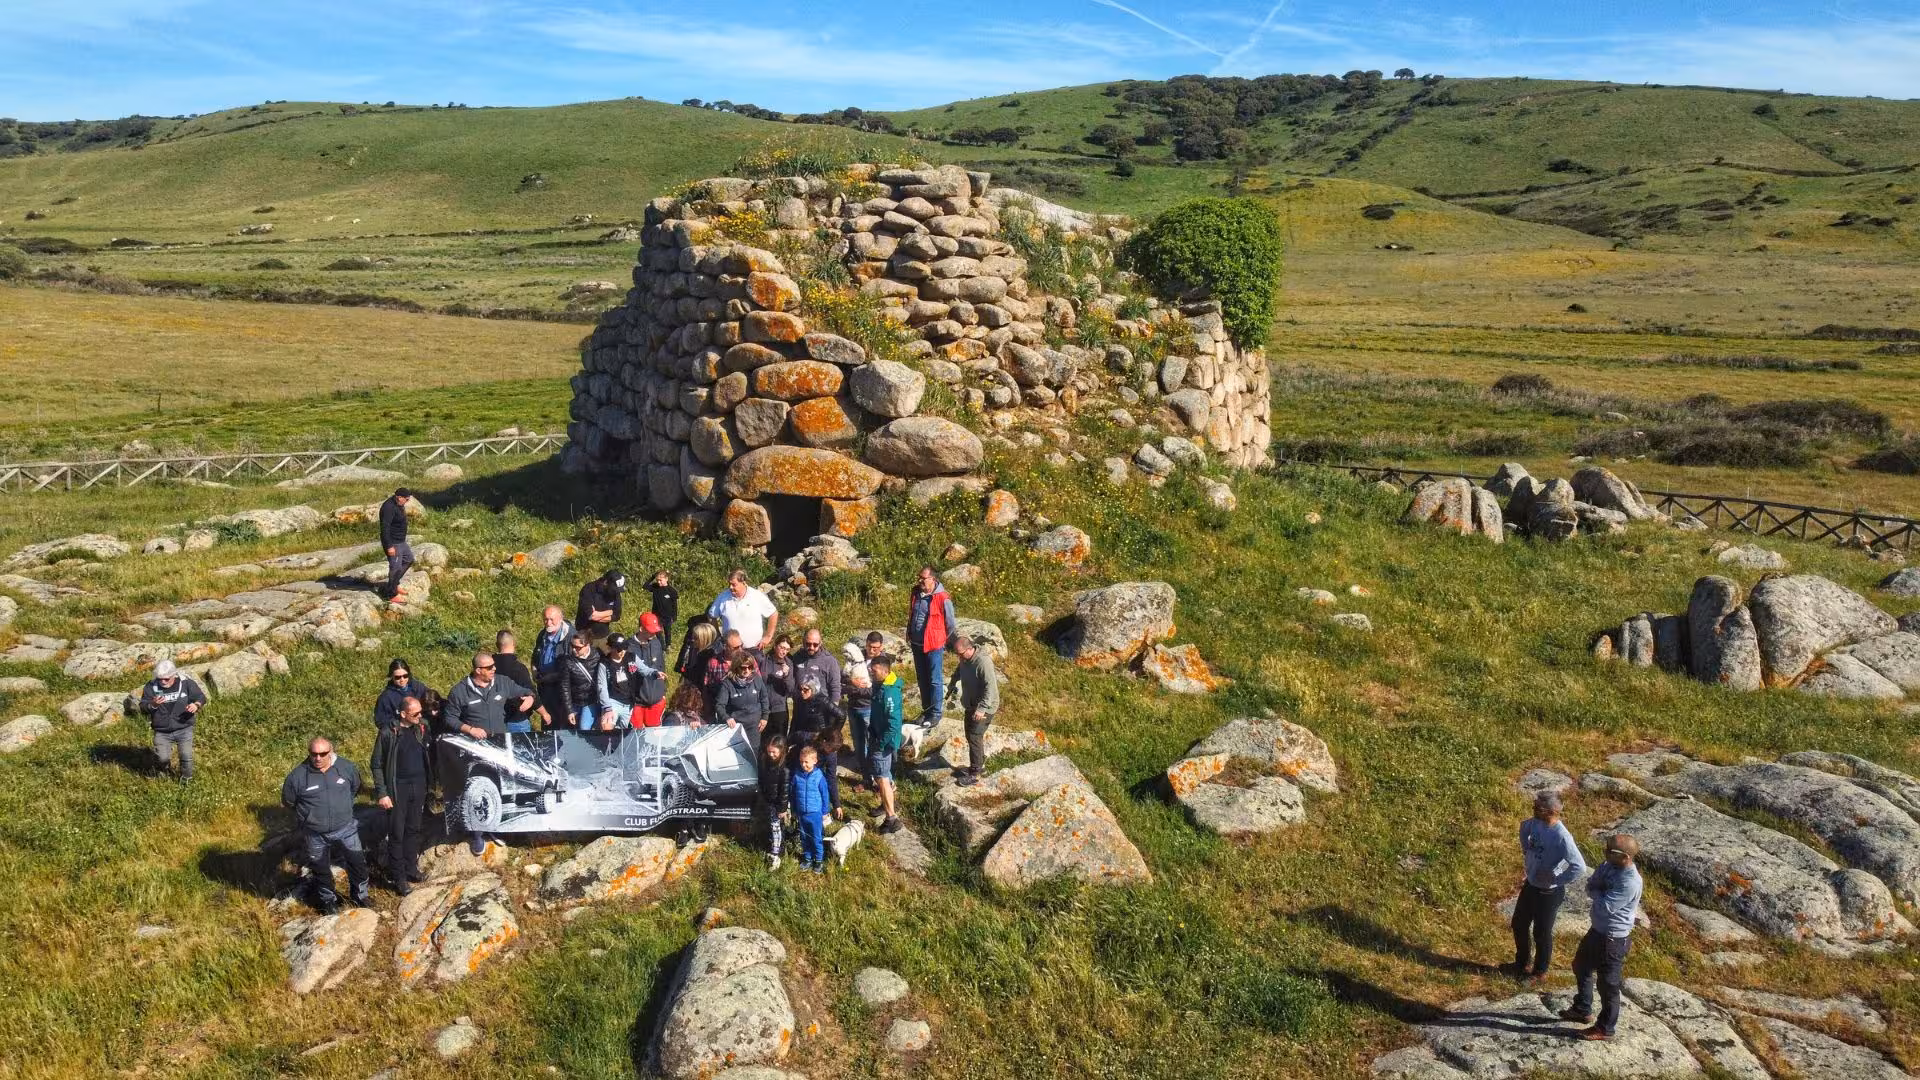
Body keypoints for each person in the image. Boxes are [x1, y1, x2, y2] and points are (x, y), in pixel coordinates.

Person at [444, 652, 536, 854]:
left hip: (500, 746)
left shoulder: (502, 682)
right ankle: (477, 834)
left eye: (494, 666)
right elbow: (449, 718)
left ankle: (497, 827)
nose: (494, 669)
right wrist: (469, 729)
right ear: (478, 670)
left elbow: (527, 690)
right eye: (490, 667)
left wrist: (529, 698)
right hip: (475, 748)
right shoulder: (459, 691)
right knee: (477, 789)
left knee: (501, 785)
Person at [1561, 833, 1644, 1041]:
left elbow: (1606, 906)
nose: (1605, 852)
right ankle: (1582, 1008)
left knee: (1608, 985)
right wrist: (1598, 891)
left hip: (1613, 939)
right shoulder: (1608, 865)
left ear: (1625, 857)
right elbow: (1591, 883)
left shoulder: (1630, 882)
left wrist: (1597, 893)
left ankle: (1606, 1028)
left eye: (1610, 850)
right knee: (1581, 966)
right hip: (1597, 931)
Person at [280, 736, 370, 914]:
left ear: (331, 751)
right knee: (321, 870)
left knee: (357, 863)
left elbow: (355, 788)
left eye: (323, 753)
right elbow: (289, 802)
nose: (318, 758)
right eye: (313, 754)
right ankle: (328, 901)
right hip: (315, 834)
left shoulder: (346, 768)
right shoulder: (297, 777)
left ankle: (360, 896)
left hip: (346, 829)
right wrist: (309, 817)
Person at [1505, 791, 1588, 981]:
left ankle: (1539, 972)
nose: (1533, 810)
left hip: (1548, 892)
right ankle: (1522, 962)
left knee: (1541, 932)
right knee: (1519, 923)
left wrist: (1555, 877)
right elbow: (1523, 827)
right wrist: (1526, 849)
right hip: (1531, 884)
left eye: (1537, 808)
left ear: (1551, 812)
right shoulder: (1535, 823)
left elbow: (1578, 866)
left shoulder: (1561, 836)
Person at [370, 695, 434, 894]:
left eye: (420, 712)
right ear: (403, 713)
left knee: (414, 828)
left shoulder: (422, 727)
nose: (420, 715)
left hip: (419, 785)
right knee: (397, 833)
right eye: (415, 713)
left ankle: (411, 869)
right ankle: (399, 878)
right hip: (398, 788)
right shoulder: (389, 732)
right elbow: (376, 764)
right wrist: (382, 793)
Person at [946, 633, 1002, 787]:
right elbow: (959, 670)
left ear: (969, 649)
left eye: (961, 654)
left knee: (974, 735)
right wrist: (952, 683)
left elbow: (990, 688)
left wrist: (982, 709)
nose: (959, 658)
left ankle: (975, 774)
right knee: (970, 734)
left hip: (985, 707)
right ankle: (978, 764)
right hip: (971, 704)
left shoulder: (983, 662)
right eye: (957, 654)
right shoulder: (965, 659)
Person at [788, 676, 847, 817]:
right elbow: (795, 720)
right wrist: (789, 741)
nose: (802, 691)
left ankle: (820, 805)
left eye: (806, 689)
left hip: (821, 737)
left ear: (813, 689)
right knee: (798, 769)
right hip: (805, 739)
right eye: (800, 688)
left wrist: (833, 732)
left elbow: (841, 715)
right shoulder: (799, 700)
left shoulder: (822, 700)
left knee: (818, 775)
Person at [139, 659, 206, 783]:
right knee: (162, 758)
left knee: (186, 756)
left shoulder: (186, 683)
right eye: (160, 679)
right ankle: (163, 773)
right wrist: (152, 704)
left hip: (184, 727)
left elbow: (200, 697)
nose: (162, 682)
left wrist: (196, 705)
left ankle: (186, 779)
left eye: (166, 679)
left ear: (174, 675)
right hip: (162, 731)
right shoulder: (151, 686)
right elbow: (143, 706)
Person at [906, 566, 956, 724]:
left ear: (933, 579)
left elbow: (950, 624)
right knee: (922, 679)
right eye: (919, 577)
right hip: (916, 643)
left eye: (923, 578)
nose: (919, 580)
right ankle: (926, 710)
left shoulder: (943, 598)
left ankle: (935, 713)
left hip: (934, 645)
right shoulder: (915, 593)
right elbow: (912, 614)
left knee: (934, 679)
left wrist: (940, 639)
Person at [866, 654, 905, 834]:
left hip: (882, 741)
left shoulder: (890, 692)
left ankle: (891, 818)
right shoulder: (881, 685)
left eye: (874, 671)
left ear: (885, 671)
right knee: (884, 775)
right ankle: (885, 804)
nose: (871, 674)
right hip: (877, 736)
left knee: (881, 777)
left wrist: (880, 743)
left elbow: (894, 723)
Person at [843, 633, 883, 791]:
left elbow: (876, 690)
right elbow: (843, 676)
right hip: (853, 708)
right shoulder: (856, 656)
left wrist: (856, 689)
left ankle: (880, 782)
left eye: (875, 648)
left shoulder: (882, 663)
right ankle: (867, 779)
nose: (872, 650)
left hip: (870, 709)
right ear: (865, 644)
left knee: (873, 745)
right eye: (869, 647)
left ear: (881, 647)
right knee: (859, 745)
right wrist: (852, 682)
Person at [708, 569, 778, 653]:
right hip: (730, 650)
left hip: (753, 649)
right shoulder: (723, 597)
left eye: (734, 584)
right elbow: (711, 616)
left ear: (743, 583)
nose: (730, 587)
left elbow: (773, 614)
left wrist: (768, 636)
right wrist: (717, 635)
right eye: (729, 584)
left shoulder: (756, 596)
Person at [789, 744, 832, 874]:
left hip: (815, 813)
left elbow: (825, 794)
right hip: (802, 813)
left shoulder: (819, 776)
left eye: (806, 762)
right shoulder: (796, 776)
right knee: (804, 836)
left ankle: (818, 860)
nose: (803, 765)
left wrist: (825, 811)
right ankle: (807, 858)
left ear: (815, 761)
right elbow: (792, 794)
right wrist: (794, 811)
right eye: (801, 762)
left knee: (816, 836)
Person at [714, 651, 768, 750]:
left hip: (754, 725)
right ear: (736, 668)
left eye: (750, 667)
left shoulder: (757, 679)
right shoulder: (727, 683)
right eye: (743, 668)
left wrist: (765, 717)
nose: (747, 670)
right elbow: (719, 705)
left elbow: (764, 698)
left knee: (754, 751)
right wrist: (727, 718)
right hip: (736, 726)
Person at [531, 605, 574, 725]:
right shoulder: (542, 634)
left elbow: (572, 667)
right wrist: (534, 671)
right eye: (545, 619)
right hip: (544, 688)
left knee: (563, 725)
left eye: (551, 619)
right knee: (547, 722)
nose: (548, 623)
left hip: (562, 690)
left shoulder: (570, 637)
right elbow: (535, 656)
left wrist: (552, 677)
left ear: (561, 619)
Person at [627, 614, 669, 727]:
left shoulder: (656, 643)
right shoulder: (629, 647)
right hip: (637, 701)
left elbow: (661, 667)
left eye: (656, 630)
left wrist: (663, 692)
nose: (654, 633)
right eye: (651, 630)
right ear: (641, 629)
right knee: (635, 735)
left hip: (656, 698)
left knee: (654, 735)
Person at [559, 631, 606, 731]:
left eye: (578, 647)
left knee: (584, 728)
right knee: (568, 728)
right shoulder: (567, 661)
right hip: (575, 701)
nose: (574, 650)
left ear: (587, 645)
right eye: (572, 646)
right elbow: (565, 686)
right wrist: (569, 710)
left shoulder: (598, 656)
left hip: (591, 701)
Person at [492, 631, 536, 733]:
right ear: (514, 644)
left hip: (494, 720)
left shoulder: (488, 667)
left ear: (497, 645)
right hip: (517, 718)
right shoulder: (519, 668)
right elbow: (530, 691)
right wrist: (544, 713)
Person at [758, 739, 791, 870]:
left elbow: (785, 791)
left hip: (778, 804)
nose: (771, 754)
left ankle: (776, 853)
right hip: (768, 800)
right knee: (773, 826)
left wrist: (782, 808)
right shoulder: (765, 761)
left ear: (782, 751)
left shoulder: (785, 769)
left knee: (776, 827)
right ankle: (775, 846)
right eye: (769, 751)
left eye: (774, 752)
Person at [372, 657, 431, 731]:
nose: (402, 680)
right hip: (401, 732)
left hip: (421, 728)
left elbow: (432, 699)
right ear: (392, 677)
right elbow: (380, 720)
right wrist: (396, 726)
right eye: (397, 677)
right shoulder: (386, 697)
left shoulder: (418, 687)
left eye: (405, 676)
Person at [377, 487, 414, 603]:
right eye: (406, 500)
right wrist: (389, 546)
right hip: (393, 543)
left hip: (401, 541)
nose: (407, 502)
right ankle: (391, 594)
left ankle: (394, 583)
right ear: (399, 497)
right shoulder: (388, 507)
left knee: (409, 559)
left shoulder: (398, 504)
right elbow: (385, 528)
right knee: (396, 568)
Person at [576, 569, 627, 642]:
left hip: (604, 635)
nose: (616, 592)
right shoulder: (588, 590)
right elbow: (591, 615)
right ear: (605, 582)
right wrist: (610, 612)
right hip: (584, 636)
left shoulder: (615, 593)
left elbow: (617, 616)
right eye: (614, 589)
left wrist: (598, 615)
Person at [763, 635, 795, 740]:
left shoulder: (789, 663)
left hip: (780, 709)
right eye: (782, 647)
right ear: (775, 646)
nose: (784, 651)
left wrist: (786, 676)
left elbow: (791, 689)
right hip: (763, 709)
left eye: (787, 649)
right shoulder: (764, 660)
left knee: (779, 743)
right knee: (764, 743)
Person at [674, 614, 717, 679]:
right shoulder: (693, 649)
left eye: (696, 638)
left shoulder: (711, 656)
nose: (692, 640)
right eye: (693, 637)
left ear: (704, 639)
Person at [646, 570, 680, 650]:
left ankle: (668, 645)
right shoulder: (655, 587)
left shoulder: (672, 591)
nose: (658, 582)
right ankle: (662, 646)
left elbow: (675, 605)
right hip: (656, 615)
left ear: (666, 579)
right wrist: (653, 576)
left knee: (667, 631)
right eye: (657, 580)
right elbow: (645, 586)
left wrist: (674, 616)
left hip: (667, 615)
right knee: (657, 631)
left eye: (660, 580)